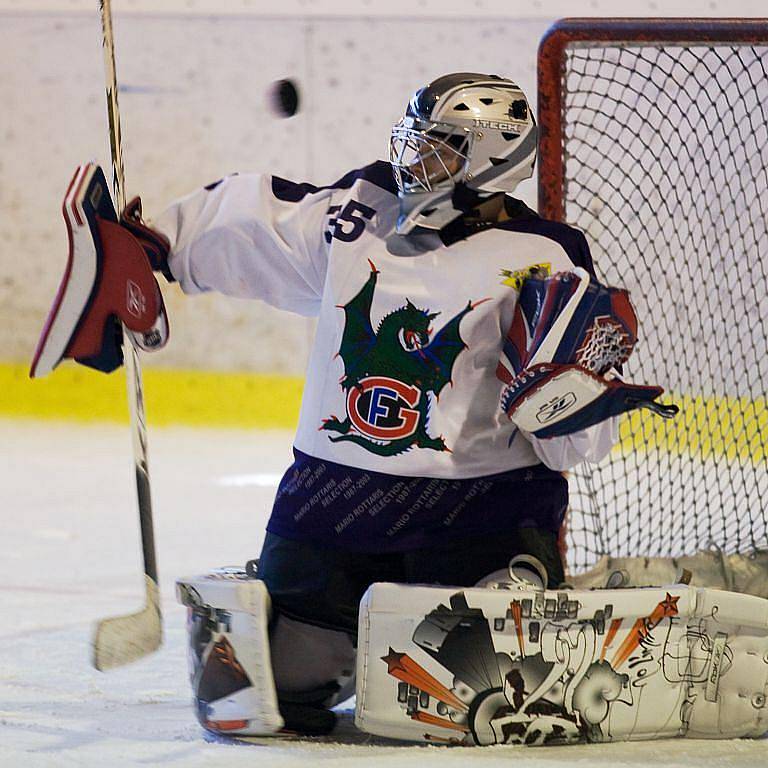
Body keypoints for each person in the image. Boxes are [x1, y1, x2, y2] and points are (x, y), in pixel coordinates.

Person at [40, 74, 624, 735]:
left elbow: (579, 442)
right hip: (330, 511)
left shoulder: (547, 256)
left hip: (474, 518)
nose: (416, 161)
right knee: (258, 696)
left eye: (440, 148)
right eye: (414, 142)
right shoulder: (363, 207)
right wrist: (153, 250)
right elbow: (260, 224)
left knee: (488, 708)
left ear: (493, 157)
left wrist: (562, 397)